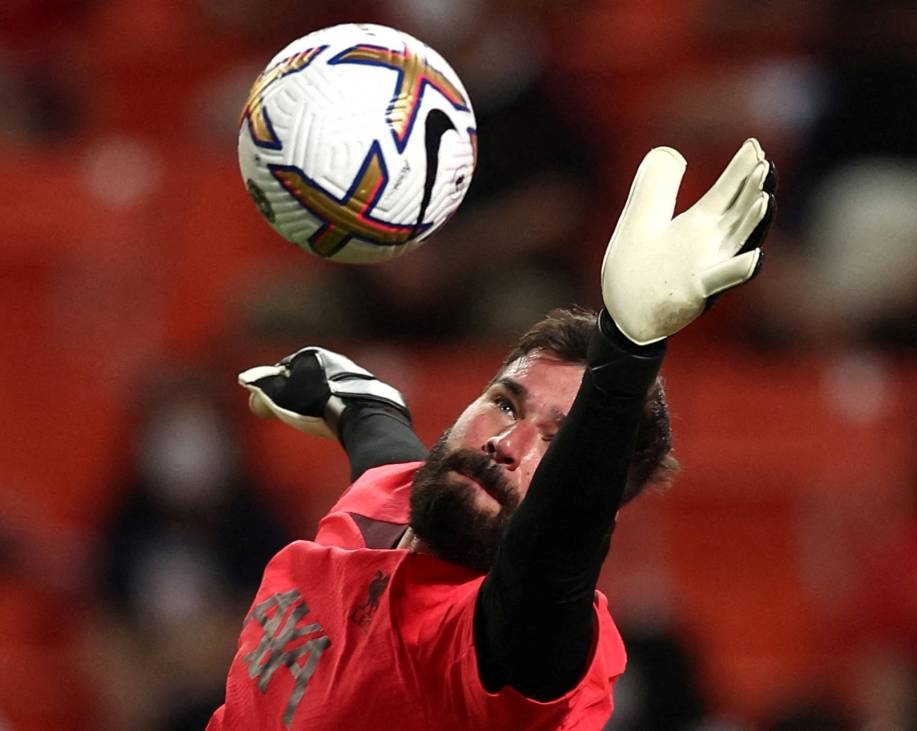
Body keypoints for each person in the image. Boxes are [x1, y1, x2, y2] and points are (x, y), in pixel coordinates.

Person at [208, 138, 776, 729]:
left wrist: (628, 352)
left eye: (556, 443)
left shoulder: (509, 648)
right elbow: (392, 464)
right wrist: (360, 403)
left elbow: (553, 550)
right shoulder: (383, 509)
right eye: (505, 405)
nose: (510, 444)